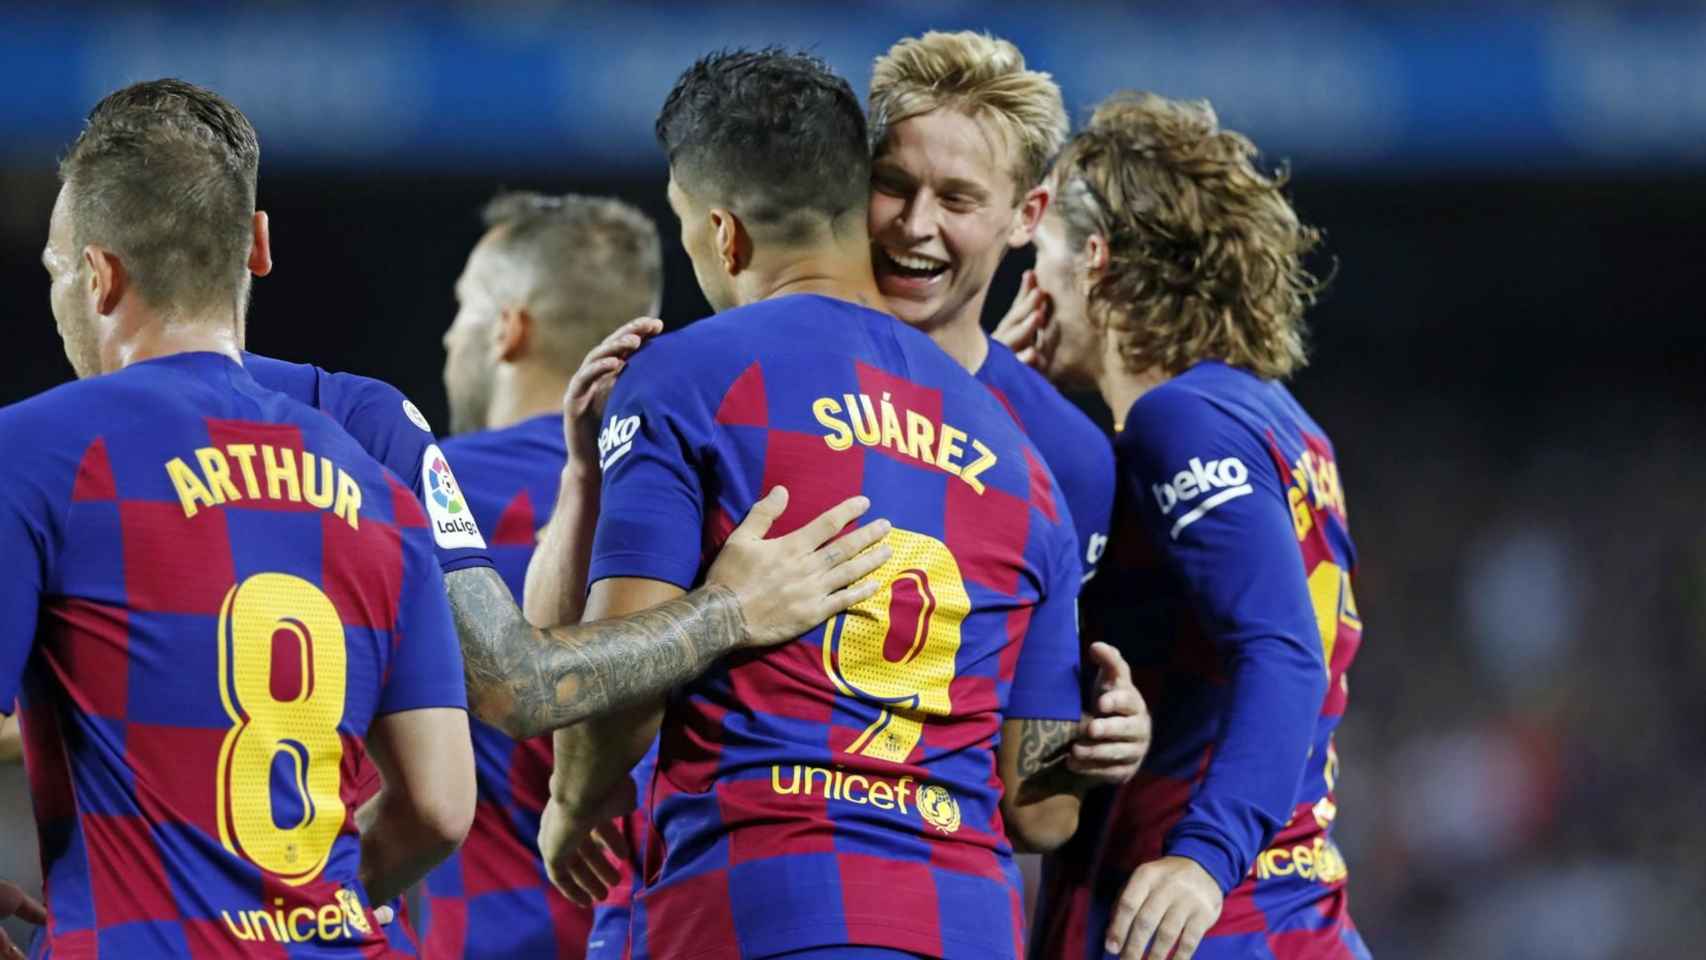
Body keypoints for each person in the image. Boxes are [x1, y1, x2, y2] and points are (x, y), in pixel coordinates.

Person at [532, 48, 1107, 960]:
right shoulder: (1024, 459)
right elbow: (1037, 803)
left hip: (752, 900)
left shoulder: (694, 375)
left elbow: (613, 684)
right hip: (961, 921)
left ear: (723, 235)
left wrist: (573, 803)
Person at [6, 77, 477, 958]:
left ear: (100, 277)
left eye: (56, 273)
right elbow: (443, 808)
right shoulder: (377, 482)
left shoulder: (33, 454)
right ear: (254, 244)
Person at [1018, 93, 1372, 960]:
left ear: (1094, 260)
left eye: (1043, 253)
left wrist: (1203, 862)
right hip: (1299, 907)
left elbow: (1283, 647)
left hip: (1203, 923)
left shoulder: (1181, 423)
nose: (1031, 283)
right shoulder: (1281, 421)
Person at [418, 190, 666, 959]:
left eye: (462, 308)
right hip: (651, 933)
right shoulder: (684, 497)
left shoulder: (413, 493)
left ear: (507, 329)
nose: (447, 332)